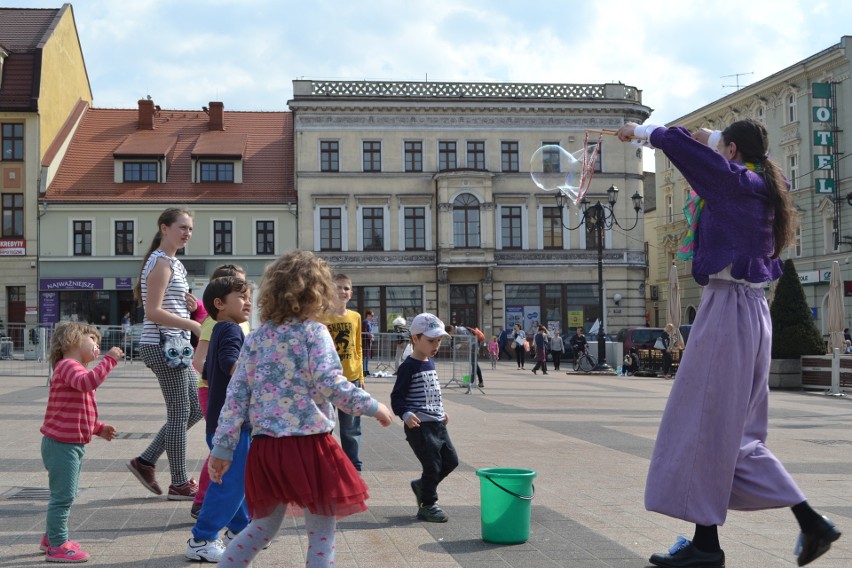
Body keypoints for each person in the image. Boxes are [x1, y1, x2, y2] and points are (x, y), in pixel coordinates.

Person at [617, 118, 840, 567]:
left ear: (733, 153)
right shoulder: (761, 184)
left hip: (726, 311)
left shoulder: (732, 183)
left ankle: (714, 545)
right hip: (752, 313)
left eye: (724, 149)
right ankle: (797, 524)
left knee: (703, 424)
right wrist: (715, 138)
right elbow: (721, 148)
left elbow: (687, 149)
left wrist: (640, 132)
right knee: (733, 435)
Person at [207, 250, 393, 568]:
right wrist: (374, 406)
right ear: (316, 294)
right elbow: (331, 385)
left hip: (266, 450)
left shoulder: (256, 338)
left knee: (262, 527)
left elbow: (235, 398)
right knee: (321, 532)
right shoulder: (313, 333)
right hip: (310, 447)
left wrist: (222, 448)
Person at [127, 208, 203, 501]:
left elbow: (166, 304)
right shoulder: (160, 263)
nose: (187, 233)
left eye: (190, 229)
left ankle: (145, 461)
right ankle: (180, 483)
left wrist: (190, 305)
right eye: (181, 227)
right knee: (180, 412)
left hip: (176, 346)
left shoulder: (174, 263)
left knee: (194, 410)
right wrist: (193, 324)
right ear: (164, 228)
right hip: (162, 346)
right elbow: (153, 311)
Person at [40, 321, 123, 562]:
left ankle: (50, 537)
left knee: (67, 493)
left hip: (70, 444)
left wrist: (98, 428)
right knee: (63, 497)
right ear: (74, 339)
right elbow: (89, 383)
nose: (97, 346)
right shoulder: (67, 366)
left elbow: (75, 411)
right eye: (93, 340)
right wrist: (109, 359)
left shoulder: (73, 369)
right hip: (61, 445)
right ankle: (57, 545)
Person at [184, 276, 253, 562]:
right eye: (241, 296)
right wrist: (257, 378)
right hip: (232, 423)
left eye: (249, 296)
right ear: (219, 303)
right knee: (232, 482)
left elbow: (208, 371)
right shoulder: (232, 330)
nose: (248, 302)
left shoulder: (219, 328)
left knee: (236, 478)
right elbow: (228, 363)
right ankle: (203, 538)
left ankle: (240, 531)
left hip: (221, 422)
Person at [391, 313, 459, 523]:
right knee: (433, 465)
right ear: (415, 339)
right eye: (431, 341)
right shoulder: (408, 366)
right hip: (419, 426)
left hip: (437, 422)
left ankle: (422, 486)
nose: (436, 345)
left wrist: (441, 410)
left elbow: (432, 392)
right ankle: (427, 504)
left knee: (451, 461)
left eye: (438, 341)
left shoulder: (430, 363)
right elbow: (397, 397)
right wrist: (406, 413)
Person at [321, 273, 365, 471]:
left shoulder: (355, 317)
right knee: (325, 426)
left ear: (351, 293)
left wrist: (361, 376)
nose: (342, 291)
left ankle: (353, 466)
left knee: (351, 428)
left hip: (351, 379)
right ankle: (325, 465)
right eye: (338, 287)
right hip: (329, 379)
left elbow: (358, 348)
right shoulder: (322, 316)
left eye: (346, 288)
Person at [445, 323, 484, 388]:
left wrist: (459, 345)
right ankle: (479, 382)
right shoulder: (458, 331)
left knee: (474, 364)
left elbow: (469, 340)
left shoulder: (460, 330)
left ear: (451, 330)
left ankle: (472, 382)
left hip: (475, 346)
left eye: (449, 334)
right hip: (473, 346)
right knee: (474, 364)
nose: (450, 335)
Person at [362, 309, 375, 375]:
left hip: (368, 341)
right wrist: (370, 336)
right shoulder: (365, 322)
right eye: (372, 316)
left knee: (367, 356)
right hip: (365, 341)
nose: (372, 317)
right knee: (365, 356)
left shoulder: (368, 322)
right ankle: (364, 370)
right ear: (368, 315)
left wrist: (371, 336)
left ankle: (366, 369)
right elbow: (365, 331)